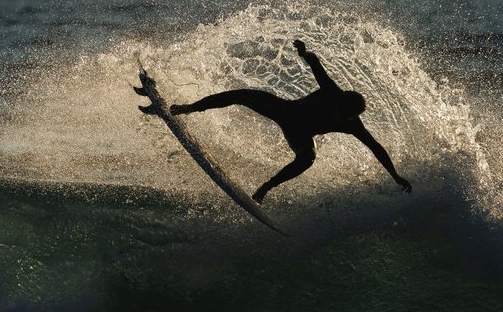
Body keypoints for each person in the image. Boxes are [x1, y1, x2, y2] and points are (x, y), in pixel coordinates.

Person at [170, 39, 412, 204]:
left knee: (308, 158)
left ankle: (266, 187)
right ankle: (188, 108)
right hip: (285, 111)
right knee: (240, 95)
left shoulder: (352, 124)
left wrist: (395, 176)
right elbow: (317, 65)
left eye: (346, 117)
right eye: (341, 112)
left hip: (301, 135)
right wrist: (304, 53)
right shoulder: (331, 92)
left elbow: (376, 147)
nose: (341, 118)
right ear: (339, 101)